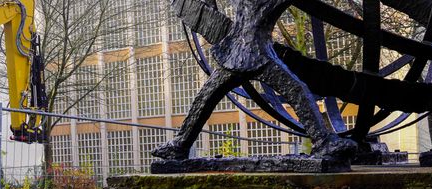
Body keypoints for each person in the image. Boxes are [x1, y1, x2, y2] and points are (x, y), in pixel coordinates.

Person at [153, 0, 358, 160]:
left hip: (248, 53)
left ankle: (179, 145)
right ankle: (323, 141)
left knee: (207, 97)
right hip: (247, 53)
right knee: (206, 98)